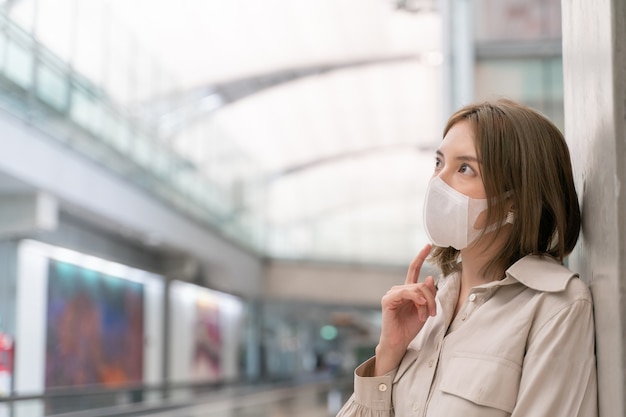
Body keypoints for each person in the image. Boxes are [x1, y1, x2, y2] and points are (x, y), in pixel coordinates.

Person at [336, 99, 597, 417]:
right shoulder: (430, 308)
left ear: (515, 199)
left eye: (465, 168)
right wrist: (389, 353)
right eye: (438, 163)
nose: (438, 182)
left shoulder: (556, 306)